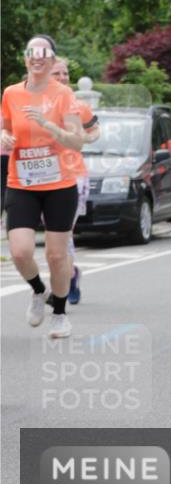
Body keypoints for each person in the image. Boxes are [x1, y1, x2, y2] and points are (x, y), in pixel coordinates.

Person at [1, 36, 85, 339]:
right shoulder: (11, 93)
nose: (37, 58)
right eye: (32, 53)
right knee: (21, 252)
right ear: (26, 59)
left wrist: (51, 127)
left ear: (52, 60)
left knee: (56, 256)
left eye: (44, 54)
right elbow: (5, 127)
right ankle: (39, 291)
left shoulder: (63, 94)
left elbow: (77, 140)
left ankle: (60, 314)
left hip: (60, 184)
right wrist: (4, 137)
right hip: (22, 182)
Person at [49, 57, 100, 304]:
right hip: (44, 178)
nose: (62, 78)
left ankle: (64, 282)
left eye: (65, 73)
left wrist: (83, 137)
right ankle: (70, 273)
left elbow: (95, 131)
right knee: (54, 234)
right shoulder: (34, 106)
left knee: (64, 230)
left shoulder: (79, 106)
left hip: (75, 175)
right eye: (56, 74)